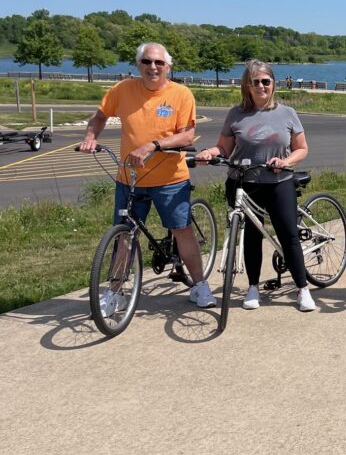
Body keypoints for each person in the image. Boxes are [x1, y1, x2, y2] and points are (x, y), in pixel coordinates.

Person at [79, 42, 215, 312]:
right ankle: (115, 292)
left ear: (168, 66)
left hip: (170, 178)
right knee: (123, 236)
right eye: (147, 62)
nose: (153, 67)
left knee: (181, 230)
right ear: (138, 65)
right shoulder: (123, 89)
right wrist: (91, 136)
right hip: (130, 178)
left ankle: (199, 286)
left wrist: (153, 145)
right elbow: (100, 115)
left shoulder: (181, 94)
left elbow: (187, 135)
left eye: (158, 63)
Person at [194, 61, 313, 311]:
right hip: (244, 182)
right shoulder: (236, 114)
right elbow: (224, 148)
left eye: (265, 81)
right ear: (246, 86)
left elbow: (302, 149)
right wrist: (209, 152)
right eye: (255, 81)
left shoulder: (287, 113)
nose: (260, 86)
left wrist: (285, 161)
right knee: (250, 236)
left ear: (273, 84)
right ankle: (253, 287)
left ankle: (302, 289)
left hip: (278, 181)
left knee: (288, 235)